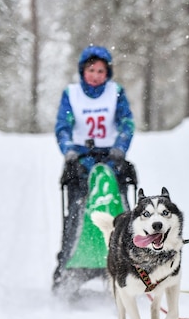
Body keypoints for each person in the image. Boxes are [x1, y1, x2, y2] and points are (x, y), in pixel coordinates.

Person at [52, 45, 136, 292]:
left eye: (101, 70)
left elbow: (126, 123)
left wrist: (121, 147)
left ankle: (125, 267)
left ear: (107, 72)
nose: (96, 75)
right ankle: (70, 267)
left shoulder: (116, 92)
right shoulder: (72, 93)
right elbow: (63, 125)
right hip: (81, 161)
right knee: (77, 213)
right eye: (91, 70)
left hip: (112, 160)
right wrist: (68, 150)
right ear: (82, 70)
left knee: (121, 213)